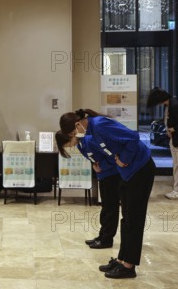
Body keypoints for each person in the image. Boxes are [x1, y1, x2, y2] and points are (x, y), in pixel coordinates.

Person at [60, 109, 155, 279]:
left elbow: (133, 137)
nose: (74, 137)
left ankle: (129, 266)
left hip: (140, 169)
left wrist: (123, 159)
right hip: (127, 173)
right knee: (127, 218)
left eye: (72, 133)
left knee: (134, 219)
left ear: (77, 124)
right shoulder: (92, 131)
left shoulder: (100, 124)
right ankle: (121, 260)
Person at [56, 130, 120, 250]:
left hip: (112, 175)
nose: (68, 147)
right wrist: (96, 167)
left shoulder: (90, 140)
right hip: (103, 175)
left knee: (111, 208)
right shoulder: (80, 144)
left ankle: (107, 239)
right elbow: (94, 159)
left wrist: (101, 166)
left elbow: (112, 156)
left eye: (67, 144)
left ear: (70, 136)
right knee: (105, 207)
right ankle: (102, 236)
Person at [146, 87, 178, 200]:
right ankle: (177, 189)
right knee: (177, 167)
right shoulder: (169, 105)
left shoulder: (175, 106)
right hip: (176, 140)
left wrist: (173, 129)